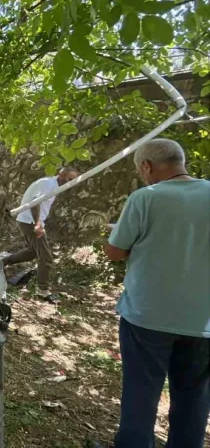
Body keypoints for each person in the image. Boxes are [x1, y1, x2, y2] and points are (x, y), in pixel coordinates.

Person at [100, 139, 210, 448]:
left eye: (140, 170)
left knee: (141, 393)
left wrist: (112, 234)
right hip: (203, 320)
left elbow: (115, 251)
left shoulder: (145, 198)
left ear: (147, 166)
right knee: (194, 397)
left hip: (147, 316)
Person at [2, 167, 78, 303]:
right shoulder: (48, 184)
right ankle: (43, 291)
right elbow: (34, 204)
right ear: (61, 175)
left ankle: (3, 262)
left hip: (28, 221)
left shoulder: (53, 184)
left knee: (33, 252)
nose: (71, 183)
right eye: (70, 179)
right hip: (29, 222)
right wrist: (37, 224)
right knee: (45, 257)